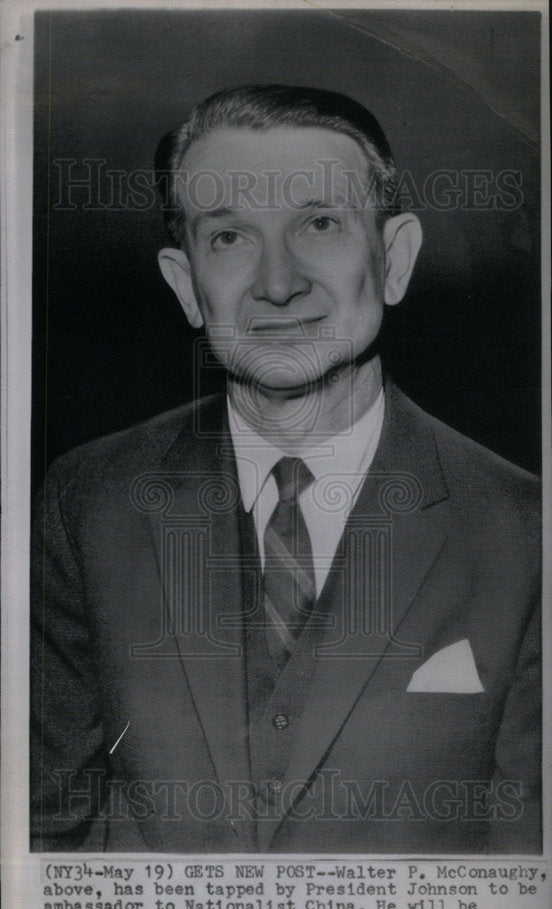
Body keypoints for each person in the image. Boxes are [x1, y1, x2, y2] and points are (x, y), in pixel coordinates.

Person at [31, 85, 541, 854]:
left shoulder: (525, 531)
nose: (277, 283)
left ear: (395, 259)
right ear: (185, 284)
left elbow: (531, 893)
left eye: (321, 223)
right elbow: (40, 843)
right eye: (229, 237)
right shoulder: (87, 501)